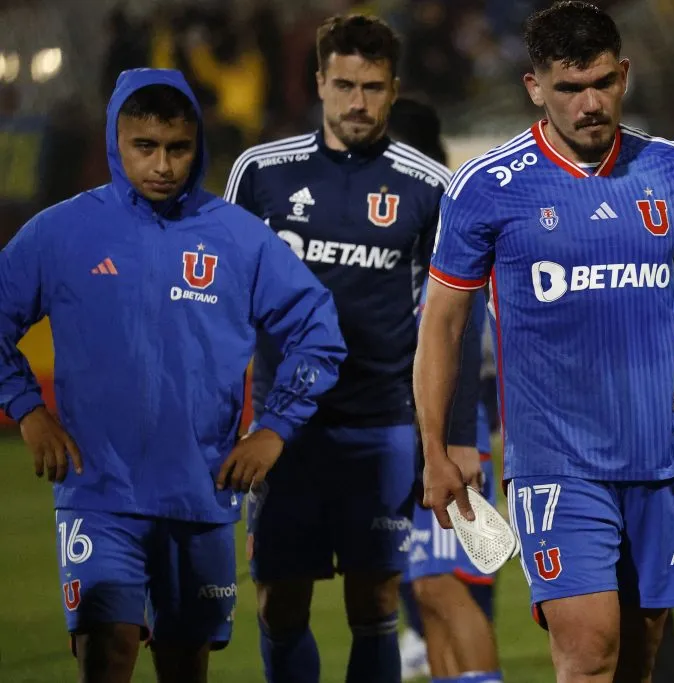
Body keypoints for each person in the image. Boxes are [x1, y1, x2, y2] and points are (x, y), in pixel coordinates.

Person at [414, 3, 674, 681]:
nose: (590, 102)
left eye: (603, 82)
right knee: (587, 647)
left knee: (639, 652)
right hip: (556, 461)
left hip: (659, 454)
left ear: (624, 73)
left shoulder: (671, 170)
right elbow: (442, 323)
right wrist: (434, 448)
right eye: (570, 88)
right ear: (535, 87)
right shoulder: (488, 188)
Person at [0, 68, 345, 683]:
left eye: (177, 148)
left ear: (197, 146)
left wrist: (274, 430)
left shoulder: (238, 238)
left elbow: (319, 330)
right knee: (106, 652)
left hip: (202, 496)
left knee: (184, 668)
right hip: (98, 492)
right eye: (145, 147)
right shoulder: (59, 233)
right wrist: (27, 409)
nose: (162, 164)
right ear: (116, 142)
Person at [224, 15, 451, 683]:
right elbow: (224, 304)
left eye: (374, 87)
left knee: (375, 599)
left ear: (394, 88)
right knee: (279, 601)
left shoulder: (429, 184)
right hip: (283, 430)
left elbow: (449, 322)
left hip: (380, 427)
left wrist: (445, 436)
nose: (358, 102)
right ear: (319, 82)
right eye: (345, 84)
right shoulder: (259, 173)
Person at [385, 96, 504, 683]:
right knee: (425, 596)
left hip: (452, 433)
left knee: (445, 585)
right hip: (393, 431)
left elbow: (469, 333)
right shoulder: (386, 222)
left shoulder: (451, 222)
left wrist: (459, 438)